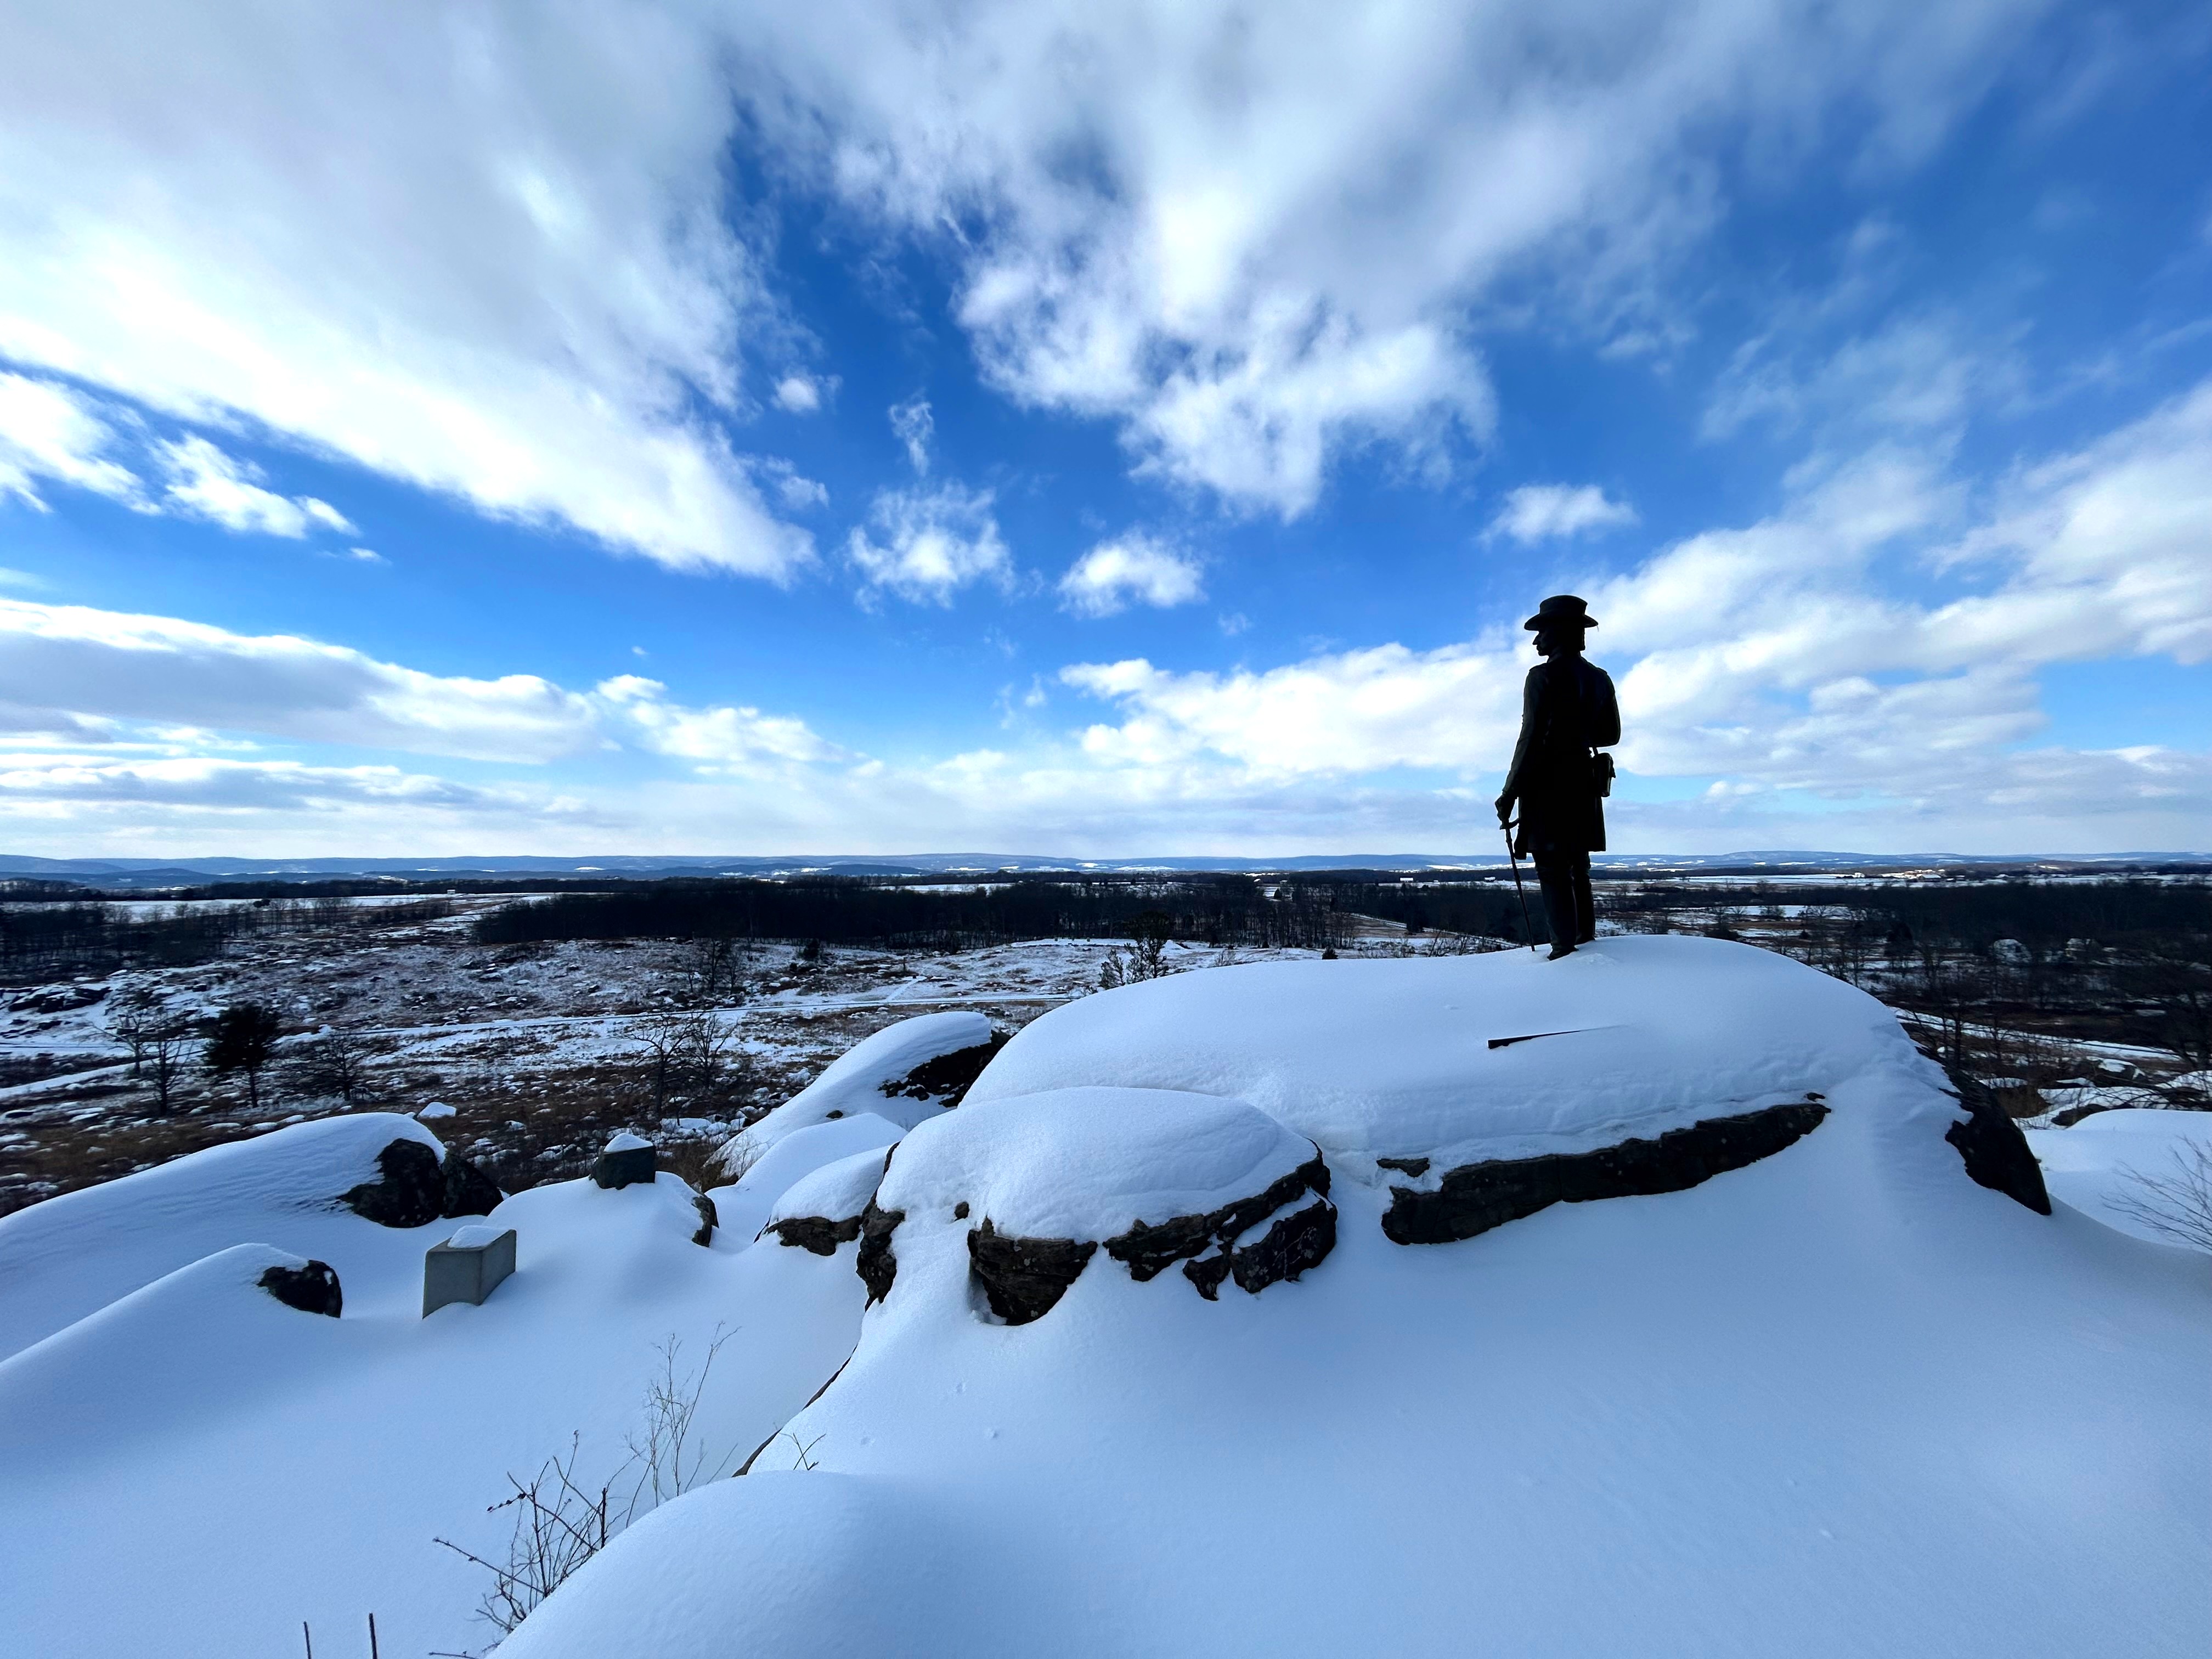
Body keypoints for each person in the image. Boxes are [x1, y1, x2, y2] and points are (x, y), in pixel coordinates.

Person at [1495, 594, 1620, 960]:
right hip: (1582, 780)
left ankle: (1563, 950)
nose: (1537, 641)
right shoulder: (1599, 678)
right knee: (1578, 865)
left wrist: (1509, 793)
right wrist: (1578, 730)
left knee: (1551, 867)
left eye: (1542, 632)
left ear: (1561, 633)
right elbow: (1610, 734)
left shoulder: (1542, 676)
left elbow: (1530, 738)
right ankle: (1584, 934)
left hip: (1548, 783)